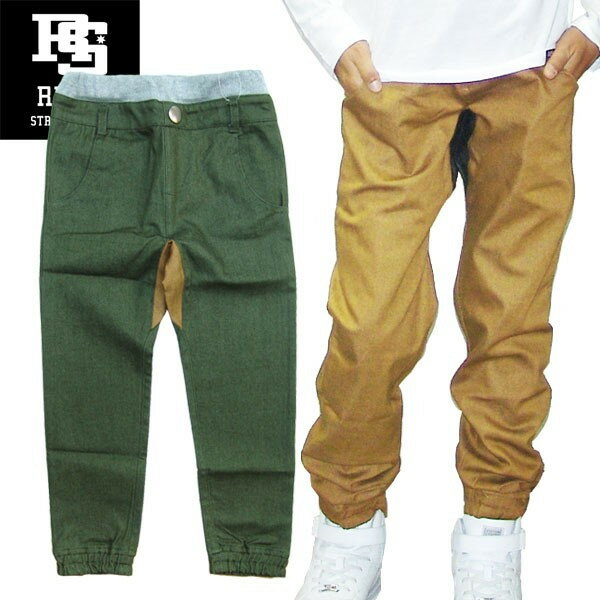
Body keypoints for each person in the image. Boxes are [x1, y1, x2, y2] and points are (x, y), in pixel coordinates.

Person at [283, 1, 600, 598]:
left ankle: (492, 529)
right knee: (370, 321)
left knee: (512, 316)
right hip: (393, 73)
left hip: (531, 65)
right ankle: (349, 527)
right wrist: (329, 28)